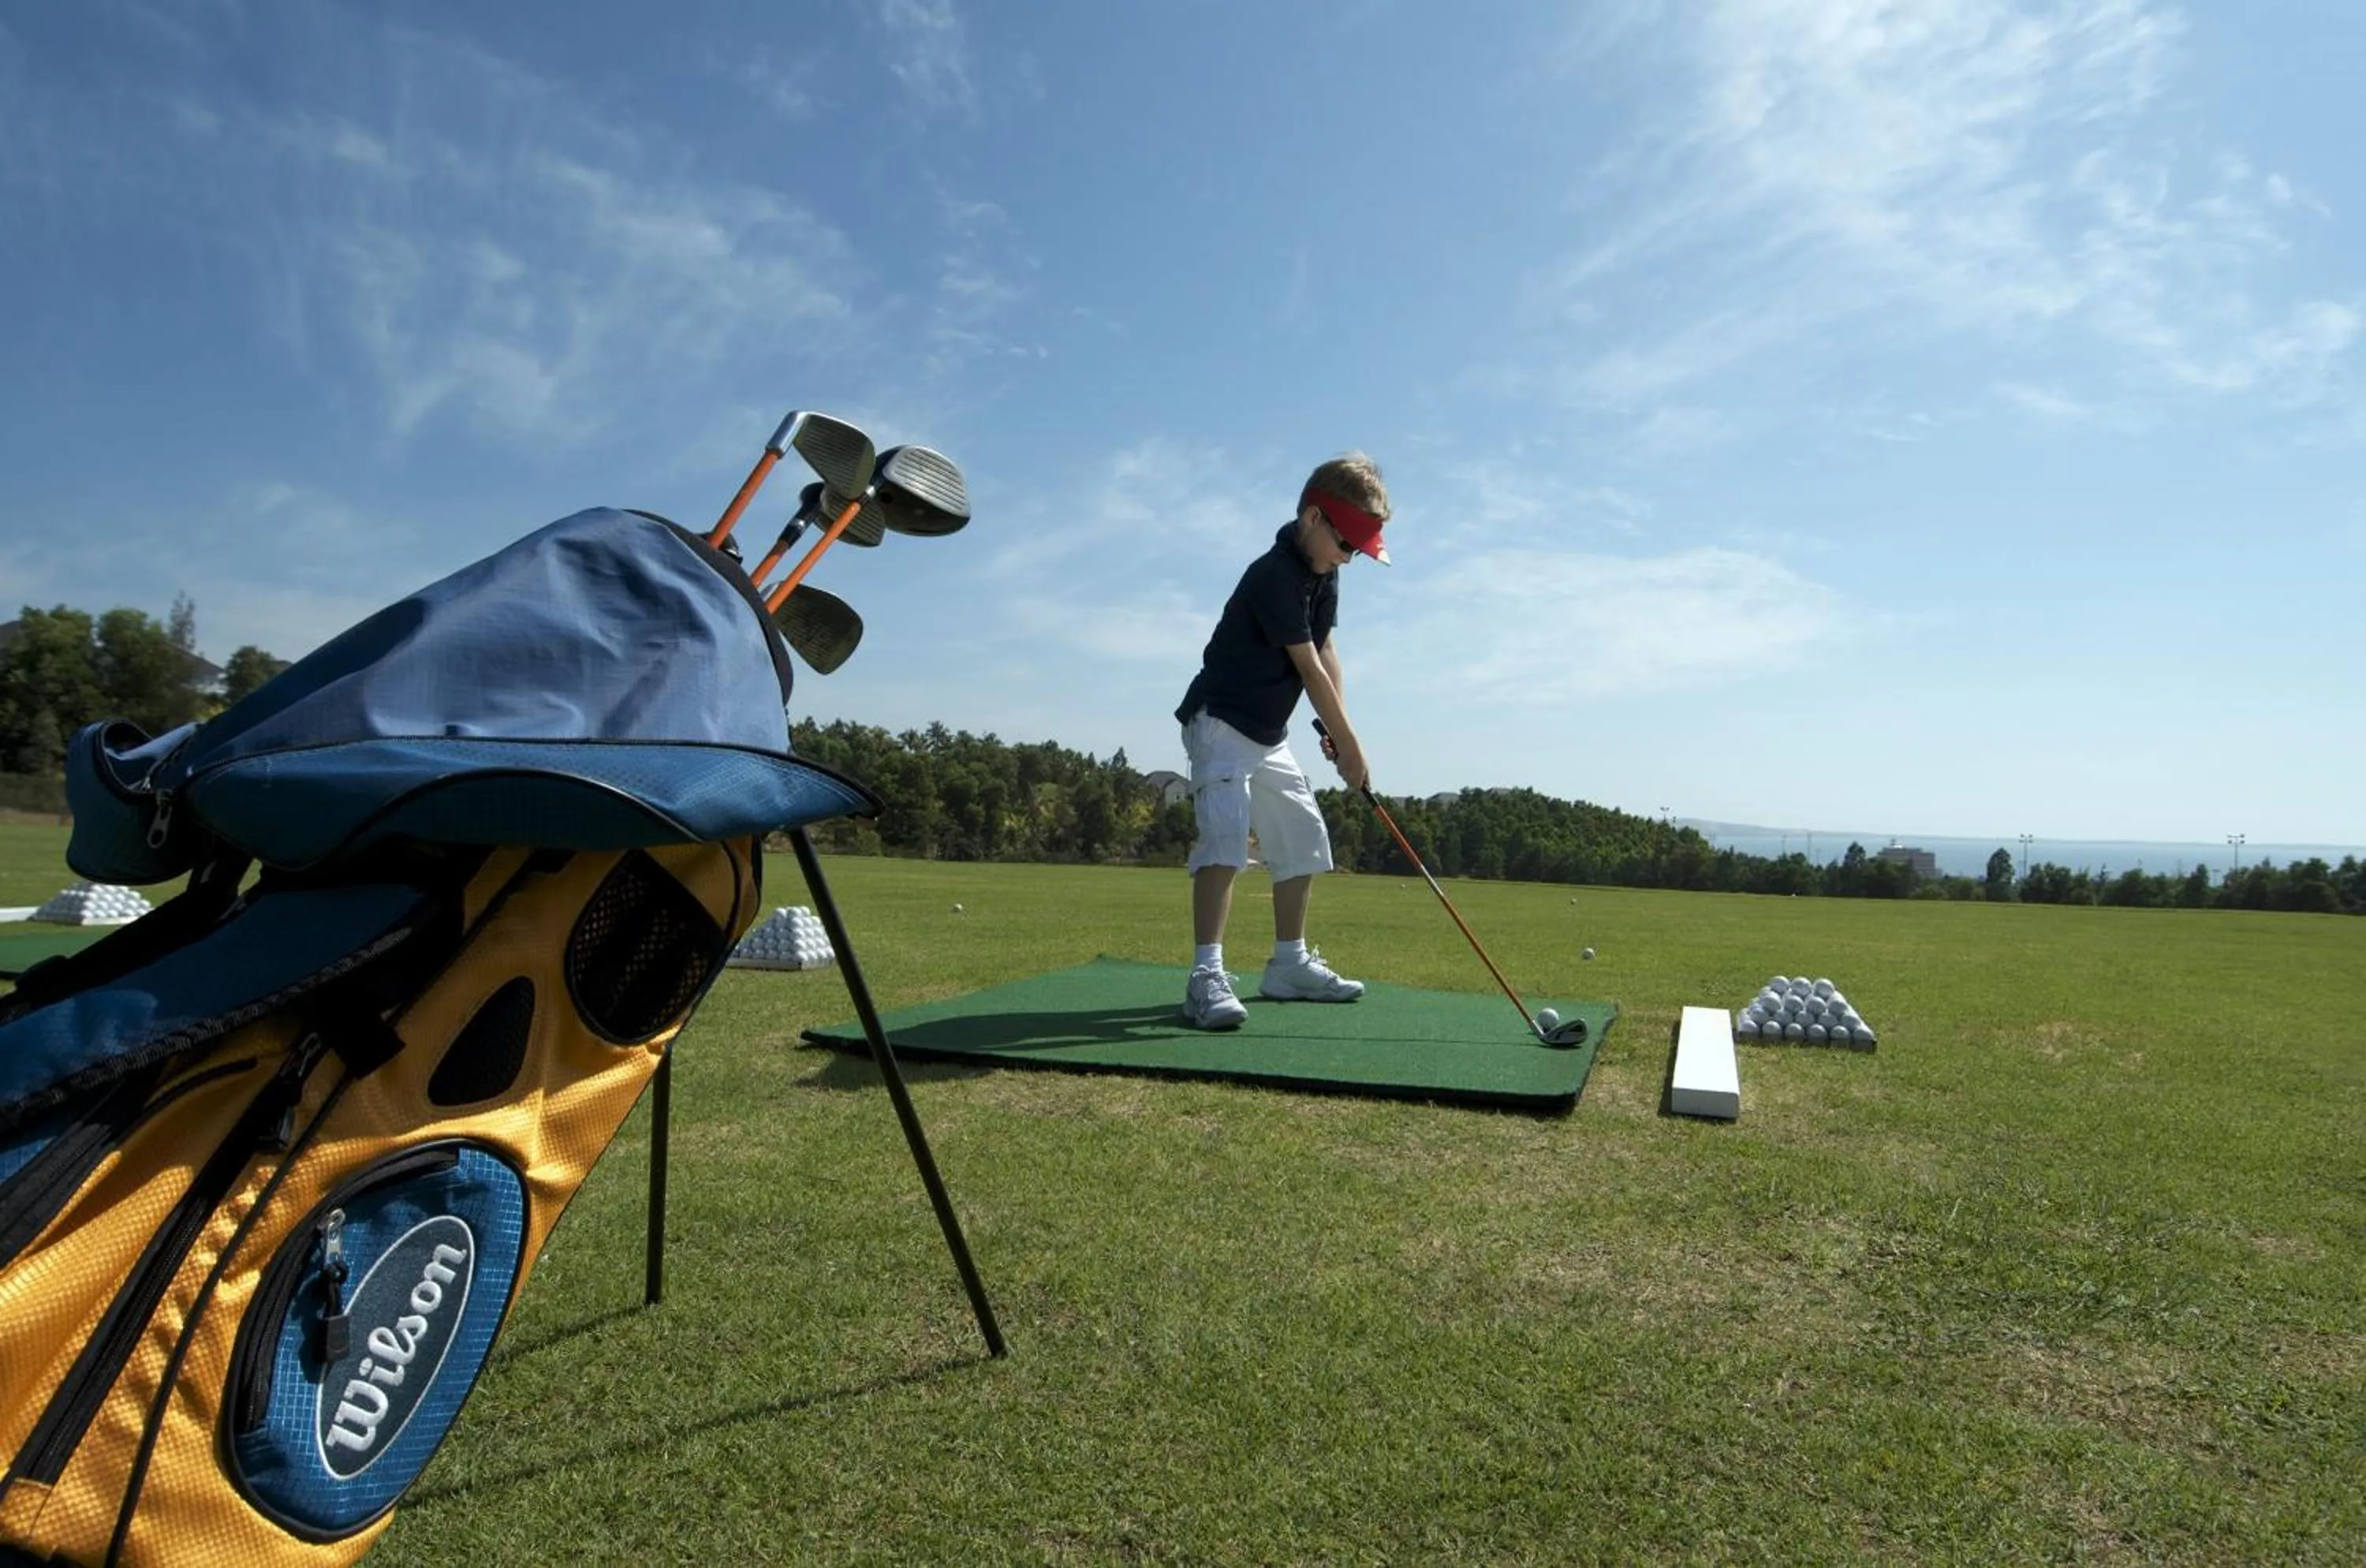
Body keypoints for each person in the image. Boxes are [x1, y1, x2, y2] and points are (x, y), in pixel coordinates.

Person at [1172, 452, 1390, 1029]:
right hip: (1220, 723)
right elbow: (1307, 669)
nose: (1351, 559)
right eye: (1347, 545)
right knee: (1225, 839)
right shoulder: (1272, 574)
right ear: (1314, 518)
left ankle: (1289, 966)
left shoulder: (1325, 575)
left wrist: (1335, 729)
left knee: (1302, 835)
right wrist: (1351, 744)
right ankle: (1205, 977)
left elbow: (1326, 653)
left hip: (1269, 734)